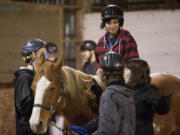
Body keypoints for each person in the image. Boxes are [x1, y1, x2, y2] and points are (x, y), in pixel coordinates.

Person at [71, 51, 136, 135]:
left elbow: (108, 130)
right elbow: (109, 119)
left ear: (104, 73)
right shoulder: (129, 92)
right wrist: (86, 128)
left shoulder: (109, 95)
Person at [123, 59, 171, 135]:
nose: (123, 74)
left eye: (126, 70)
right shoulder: (124, 90)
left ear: (135, 73)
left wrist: (163, 103)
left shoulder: (149, 91)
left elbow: (162, 109)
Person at [13, 38, 48, 135]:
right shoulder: (24, 78)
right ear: (31, 56)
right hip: (29, 131)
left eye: (46, 53)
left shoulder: (36, 76)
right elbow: (24, 108)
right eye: (42, 54)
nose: (46, 57)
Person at [95, 4, 139, 75]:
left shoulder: (127, 39)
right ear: (104, 24)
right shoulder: (100, 42)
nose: (112, 26)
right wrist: (99, 69)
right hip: (105, 80)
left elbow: (133, 64)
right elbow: (98, 63)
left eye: (115, 22)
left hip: (123, 81)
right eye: (108, 23)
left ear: (120, 23)